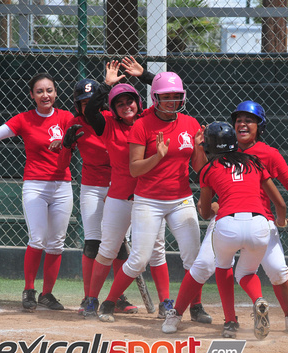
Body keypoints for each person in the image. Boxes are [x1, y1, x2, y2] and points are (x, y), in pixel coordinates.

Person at [161, 100, 288, 337]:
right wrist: (202, 145)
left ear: (259, 126)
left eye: (249, 120)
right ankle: (177, 313)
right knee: (202, 266)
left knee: (279, 270)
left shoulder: (267, 154)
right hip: (237, 218)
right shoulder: (223, 151)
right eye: (238, 120)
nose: (242, 123)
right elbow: (208, 179)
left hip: (257, 218)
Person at [96, 71, 210, 323]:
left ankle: (197, 306)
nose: (172, 101)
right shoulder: (141, 125)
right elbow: (135, 168)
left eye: (176, 96)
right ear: (155, 98)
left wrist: (200, 147)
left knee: (194, 256)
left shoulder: (190, 123)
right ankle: (109, 302)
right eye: (165, 96)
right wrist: (158, 156)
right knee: (139, 259)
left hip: (180, 199)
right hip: (148, 199)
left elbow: (199, 168)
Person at [0, 73, 74, 311]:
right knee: (37, 238)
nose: (45, 95)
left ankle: (47, 295)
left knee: (57, 243)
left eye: (49, 90)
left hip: (62, 185)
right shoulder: (25, 119)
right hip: (35, 186)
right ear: (32, 95)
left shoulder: (66, 118)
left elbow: (80, 138)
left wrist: (66, 143)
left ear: (56, 93)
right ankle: (29, 290)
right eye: (39, 91)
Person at [81, 59, 170, 320]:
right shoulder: (108, 124)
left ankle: (166, 302)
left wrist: (146, 76)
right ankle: (91, 300)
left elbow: (167, 95)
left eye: (130, 101)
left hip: (151, 197)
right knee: (107, 249)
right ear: (114, 109)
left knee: (156, 249)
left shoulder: (148, 120)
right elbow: (90, 114)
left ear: (139, 104)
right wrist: (105, 85)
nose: (126, 106)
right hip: (120, 197)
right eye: (119, 103)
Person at [56, 77, 139, 315]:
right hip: (92, 186)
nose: (88, 104)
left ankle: (118, 297)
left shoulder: (113, 120)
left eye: (92, 100)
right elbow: (63, 165)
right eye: (83, 101)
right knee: (93, 242)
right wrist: (65, 144)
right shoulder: (75, 123)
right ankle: (88, 297)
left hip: (120, 186)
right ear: (77, 104)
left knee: (119, 246)